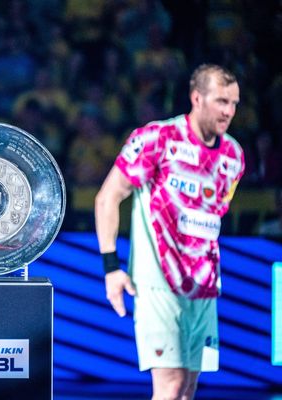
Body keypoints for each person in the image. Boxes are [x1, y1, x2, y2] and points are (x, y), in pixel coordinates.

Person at [95, 64, 244, 399]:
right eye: (221, 101)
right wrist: (111, 268)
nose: (229, 111)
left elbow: (214, 213)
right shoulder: (157, 139)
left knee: (187, 388)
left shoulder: (233, 155)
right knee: (170, 385)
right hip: (158, 282)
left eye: (234, 103)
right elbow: (107, 197)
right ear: (196, 98)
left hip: (204, 286)